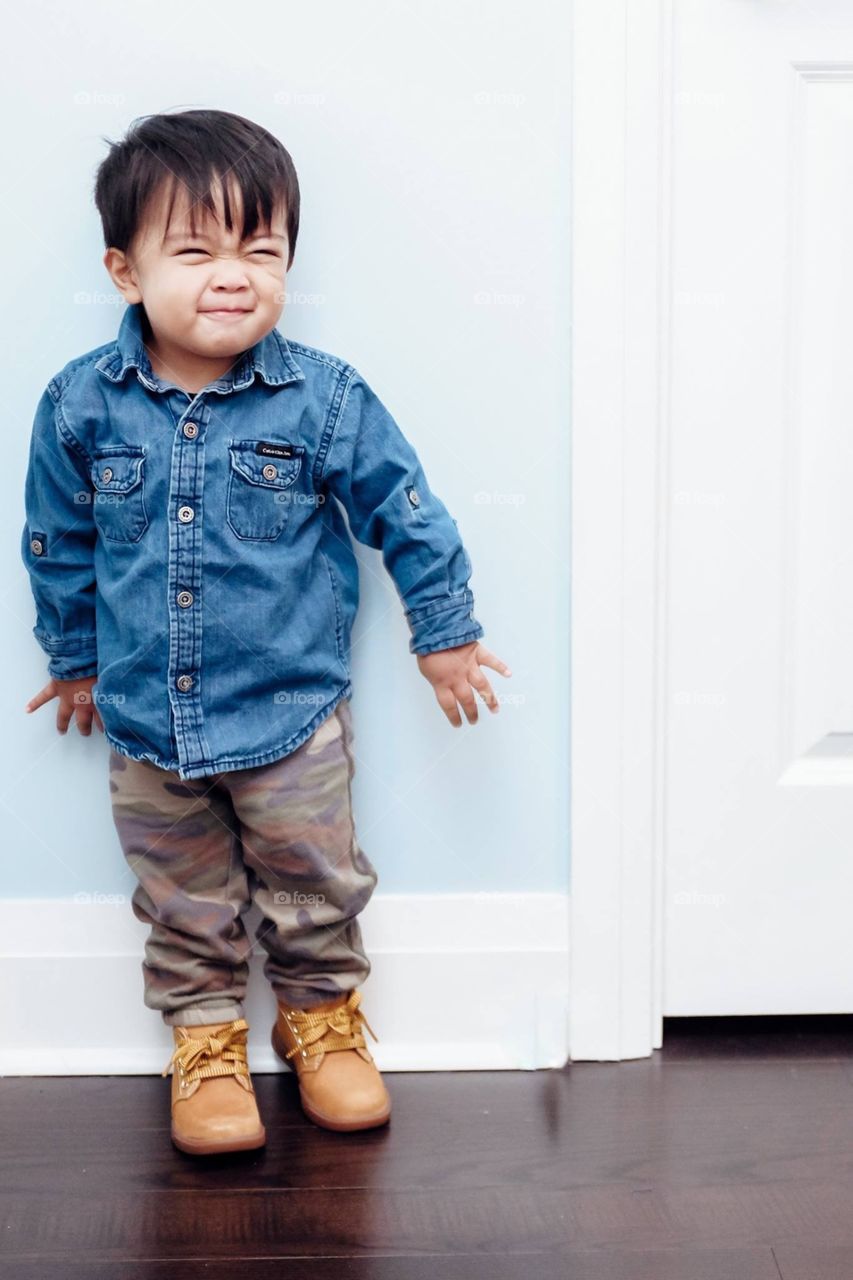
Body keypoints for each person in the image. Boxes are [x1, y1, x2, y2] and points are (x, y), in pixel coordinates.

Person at [20, 108, 511, 1155]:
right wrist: (75, 660)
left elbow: (407, 513)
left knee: (311, 880)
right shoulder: (78, 406)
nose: (233, 276)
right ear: (125, 271)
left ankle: (322, 1019)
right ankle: (205, 1039)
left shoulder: (323, 400)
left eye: (262, 249)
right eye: (196, 251)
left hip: (292, 718)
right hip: (147, 720)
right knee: (181, 894)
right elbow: (57, 542)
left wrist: (444, 633)